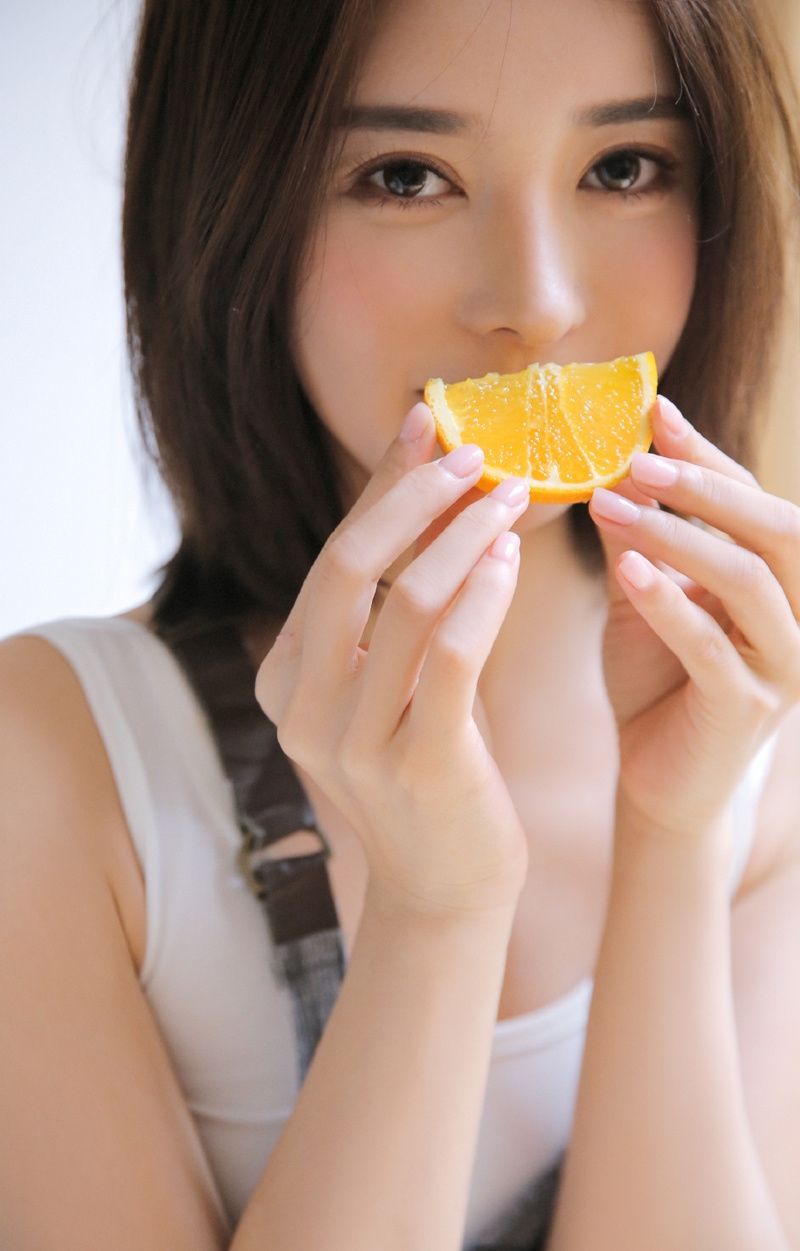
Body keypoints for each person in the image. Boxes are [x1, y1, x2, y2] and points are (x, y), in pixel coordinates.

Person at [1, 0, 799, 1247]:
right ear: (235, 212)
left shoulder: (759, 733)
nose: (534, 304)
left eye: (622, 167)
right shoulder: (52, 764)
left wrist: (673, 832)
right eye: (406, 175)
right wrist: (436, 907)